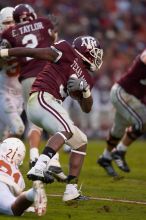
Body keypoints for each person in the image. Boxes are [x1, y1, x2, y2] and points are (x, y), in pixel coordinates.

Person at [0, 35, 103, 201]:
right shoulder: (66, 51)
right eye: (96, 52)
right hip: (41, 97)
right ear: (87, 51)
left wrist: (86, 91)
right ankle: (39, 166)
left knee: (81, 141)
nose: (98, 57)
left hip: (50, 105)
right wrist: (4, 52)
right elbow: (32, 52)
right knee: (67, 128)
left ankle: (71, 190)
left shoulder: (87, 78)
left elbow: (87, 108)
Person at [1, 4, 66, 181]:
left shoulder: (10, 34)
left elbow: (6, 50)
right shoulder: (43, 23)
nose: (9, 25)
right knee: (51, 118)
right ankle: (53, 162)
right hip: (40, 78)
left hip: (24, 83)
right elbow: (54, 44)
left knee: (32, 123)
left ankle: (34, 158)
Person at [97, 48, 146, 177]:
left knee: (118, 130)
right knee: (144, 121)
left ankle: (105, 158)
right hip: (123, 93)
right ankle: (119, 151)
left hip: (132, 98)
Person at [0, 137, 47, 216]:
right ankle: (32, 193)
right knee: (13, 208)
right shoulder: (19, 176)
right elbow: (17, 197)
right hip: (5, 185)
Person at [0, 7, 24, 140]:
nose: (11, 26)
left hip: (20, 95)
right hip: (3, 93)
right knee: (18, 128)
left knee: (3, 136)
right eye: (7, 22)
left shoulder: (25, 39)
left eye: (13, 22)